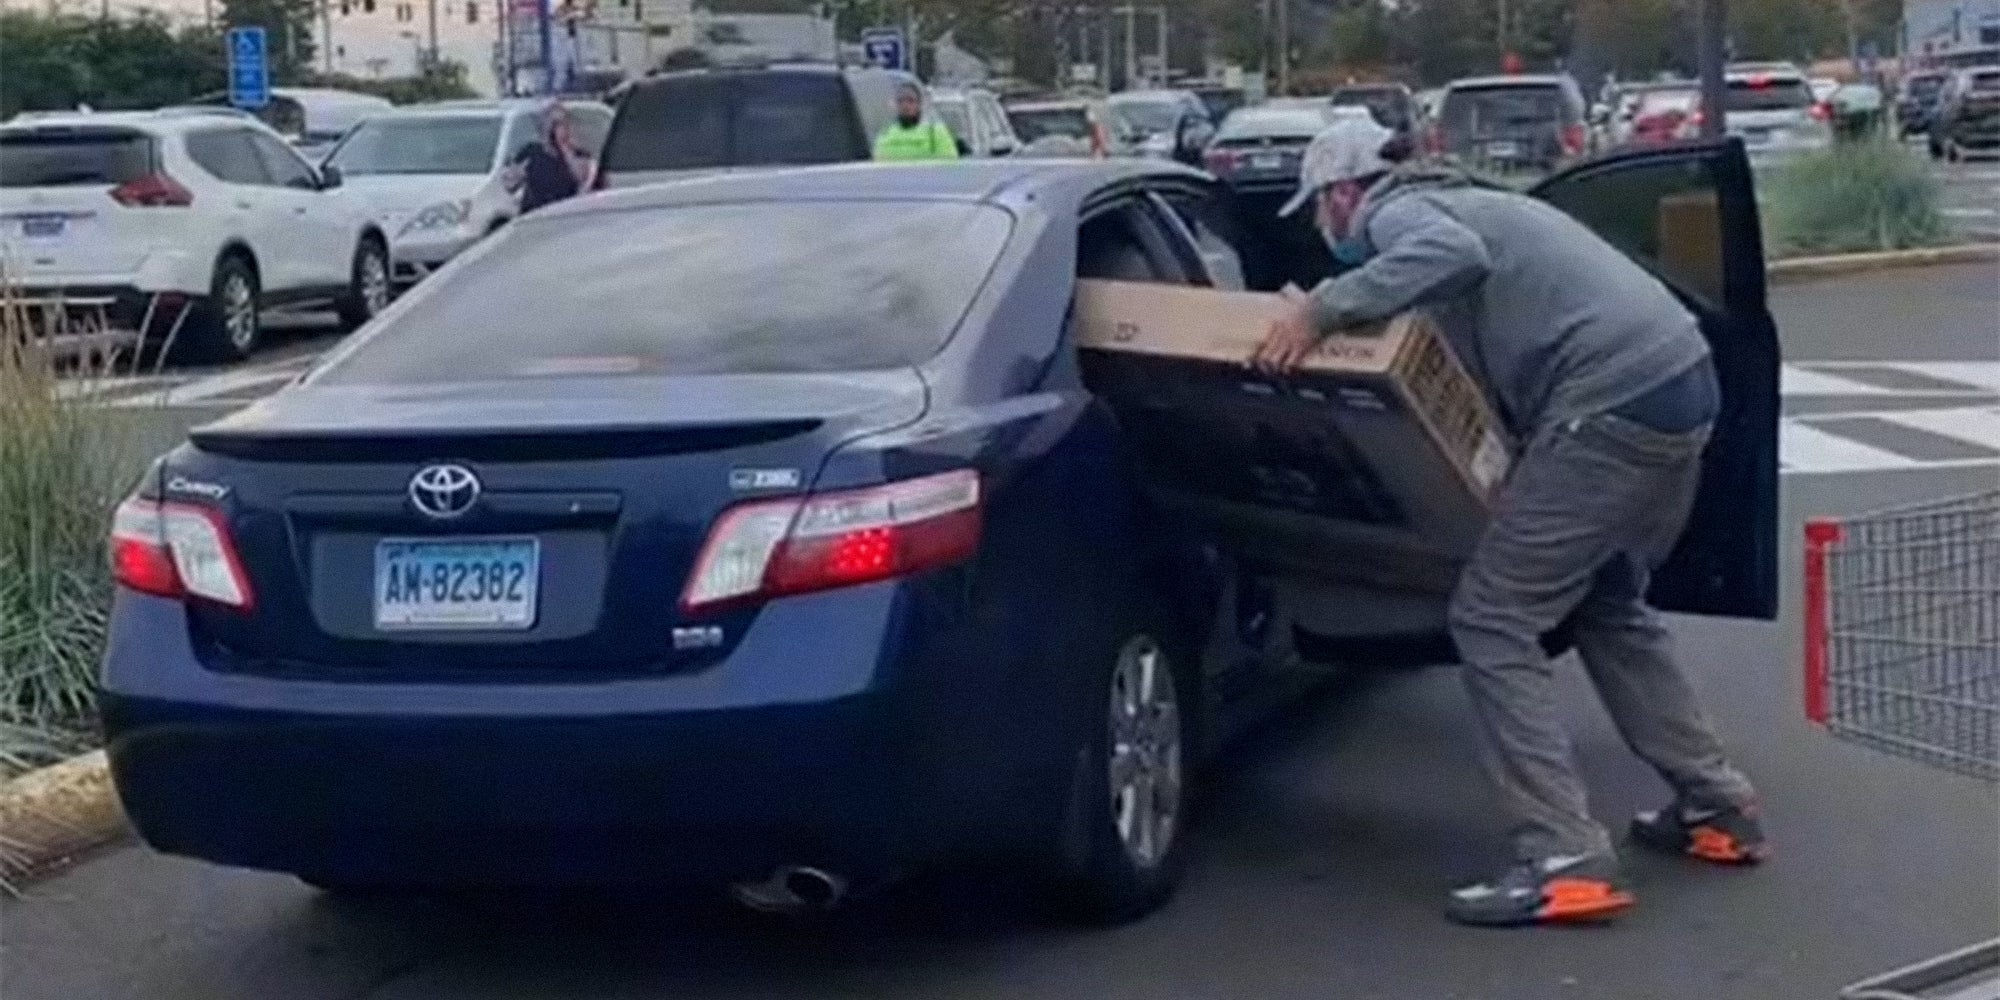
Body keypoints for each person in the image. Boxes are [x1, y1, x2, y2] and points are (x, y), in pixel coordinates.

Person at [1253, 116, 1766, 928]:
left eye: (1322, 209)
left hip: (1609, 405)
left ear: (1344, 192)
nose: (1326, 230)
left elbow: (1451, 259)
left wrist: (1319, 311)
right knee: (1608, 603)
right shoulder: (1478, 202)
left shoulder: (1400, 214)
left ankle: (1563, 856)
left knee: (1492, 617)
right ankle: (1716, 806)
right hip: (1680, 380)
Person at [503, 102, 592, 214]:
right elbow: (510, 184)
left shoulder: (579, 154)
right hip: (535, 215)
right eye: (555, 124)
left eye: (563, 123)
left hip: (565, 214)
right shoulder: (532, 152)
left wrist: (567, 150)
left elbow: (583, 183)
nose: (560, 129)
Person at [872, 82, 961, 162]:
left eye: (910, 100)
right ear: (895, 105)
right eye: (900, 101)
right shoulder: (885, 133)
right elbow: (880, 167)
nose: (905, 105)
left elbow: (949, 165)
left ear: (919, 104)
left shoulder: (936, 133)